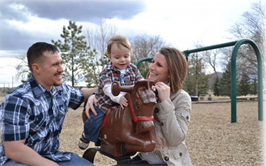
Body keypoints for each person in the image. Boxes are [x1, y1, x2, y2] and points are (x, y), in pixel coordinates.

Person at [85, 47, 192, 166]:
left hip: (169, 162)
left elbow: (175, 140)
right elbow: (114, 88)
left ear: (171, 73)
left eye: (159, 65)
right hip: (144, 158)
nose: (151, 67)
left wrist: (165, 102)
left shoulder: (181, 98)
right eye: (153, 62)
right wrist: (94, 96)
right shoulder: (144, 90)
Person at [0, 42, 96, 166]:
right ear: (37, 68)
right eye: (55, 65)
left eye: (61, 63)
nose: (61, 69)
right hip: (18, 161)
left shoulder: (61, 90)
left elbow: (82, 94)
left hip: (51, 155)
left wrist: (102, 91)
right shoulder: (18, 100)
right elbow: (14, 149)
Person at [78, 35, 143, 149]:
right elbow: (108, 89)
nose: (122, 60)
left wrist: (146, 87)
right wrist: (118, 98)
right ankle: (87, 135)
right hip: (107, 101)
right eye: (117, 57)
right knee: (96, 118)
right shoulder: (107, 72)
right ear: (110, 56)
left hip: (127, 101)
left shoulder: (133, 69)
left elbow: (140, 81)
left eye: (126, 56)